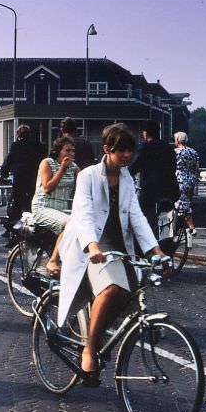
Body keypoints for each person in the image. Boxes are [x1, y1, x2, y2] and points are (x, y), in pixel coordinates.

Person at [57, 123, 166, 385]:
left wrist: (155, 248)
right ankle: (89, 349)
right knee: (112, 290)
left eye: (130, 150)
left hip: (120, 244)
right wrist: (92, 246)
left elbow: (136, 216)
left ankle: (98, 330)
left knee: (129, 294)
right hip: (94, 243)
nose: (127, 156)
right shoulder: (88, 176)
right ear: (107, 149)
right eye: (122, 151)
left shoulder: (127, 178)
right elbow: (82, 213)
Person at [129, 119, 178, 237]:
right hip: (170, 190)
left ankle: (147, 240)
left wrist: (124, 175)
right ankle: (166, 237)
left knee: (138, 213)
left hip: (150, 190)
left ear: (145, 133)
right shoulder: (168, 147)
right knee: (164, 214)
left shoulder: (145, 147)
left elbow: (134, 167)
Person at [0, 124, 46, 227]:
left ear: (17, 135)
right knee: (32, 202)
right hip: (34, 179)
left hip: (20, 179)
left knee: (16, 203)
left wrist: (3, 174)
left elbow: (9, 160)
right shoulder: (38, 145)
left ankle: (13, 227)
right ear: (29, 134)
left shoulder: (15, 145)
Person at [31, 137, 79, 235]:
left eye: (73, 151)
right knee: (70, 224)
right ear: (58, 151)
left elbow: (84, 183)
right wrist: (62, 169)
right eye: (67, 150)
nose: (72, 153)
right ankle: (56, 251)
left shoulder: (74, 167)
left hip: (62, 210)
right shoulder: (47, 163)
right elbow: (47, 188)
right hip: (43, 207)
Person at [173, 131, 200, 233]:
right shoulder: (193, 152)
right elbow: (197, 167)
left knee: (182, 203)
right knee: (186, 201)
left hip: (179, 179)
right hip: (191, 180)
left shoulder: (175, 152)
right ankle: (183, 224)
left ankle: (191, 227)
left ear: (177, 140)